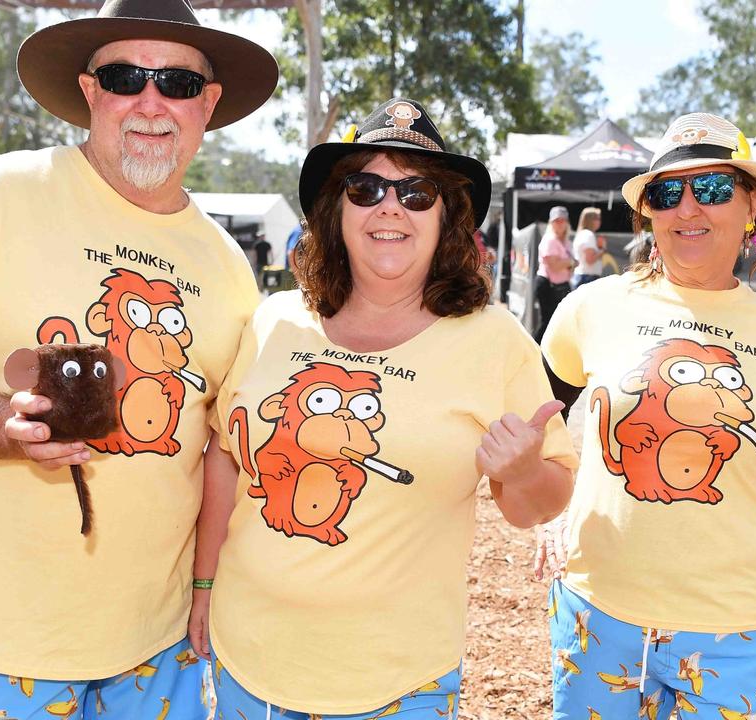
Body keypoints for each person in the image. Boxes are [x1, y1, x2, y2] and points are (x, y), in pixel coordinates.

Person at [0, 2, 278, 718]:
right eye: (125, 76)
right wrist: (6, 425)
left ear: (208, 104)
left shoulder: (227, 267)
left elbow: (224, 446)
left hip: (163, 630)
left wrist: (215, 587)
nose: (151, 102)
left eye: (178, 84)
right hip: (20, 628)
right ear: (91, 90)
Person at [189, 98, 577, 719]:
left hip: (400, 680)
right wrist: (202, 585)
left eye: (416, 192)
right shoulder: (274, 320)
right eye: (365, 188)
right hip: (249, 661)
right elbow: (225, 461)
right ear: (335, 209)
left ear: (446, 214)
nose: (389, 206)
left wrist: (526, 471)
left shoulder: (495, 339)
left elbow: (541, 502)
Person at [534, 113, 756, 720]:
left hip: (738, 630)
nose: (689, 208)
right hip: (600, 618)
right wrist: (552, 508)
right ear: (649, 214)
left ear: (752, 205)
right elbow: (534, 418)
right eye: (668, 193)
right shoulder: (589, 308)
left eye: (715, 189)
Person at [536, 205, 574, 340]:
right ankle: (535, 351)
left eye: (562, 220)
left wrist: (568, 263)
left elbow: (567, 264)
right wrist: (570, 262)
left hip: (560, 286)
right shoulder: (550, 240)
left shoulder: (566, 242)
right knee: (548, 322)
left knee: (556, 322)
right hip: (548, 285)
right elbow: (555, 266)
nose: (560, 224)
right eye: (556, 221)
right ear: (551, 223)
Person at [571, 206, 605, 289]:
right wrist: (602, 249)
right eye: (597, 219)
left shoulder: (583, 234)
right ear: (590, 220)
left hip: (584, 277)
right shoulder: (588, 235)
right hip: (587, 278)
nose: (599, 222)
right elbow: (590, 260)